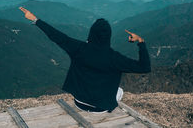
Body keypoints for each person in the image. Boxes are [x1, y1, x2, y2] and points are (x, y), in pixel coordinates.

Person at [19, 7, 151, 113]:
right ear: (108, 36)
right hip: (101, 108)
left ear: (91, 33)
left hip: (80, 102)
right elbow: (144, 67)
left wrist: (36, 20)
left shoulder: (79, 48)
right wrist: (141, 42)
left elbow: (57, 36)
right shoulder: (114, 58)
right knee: (119, 91)